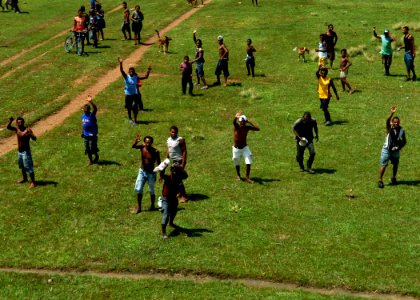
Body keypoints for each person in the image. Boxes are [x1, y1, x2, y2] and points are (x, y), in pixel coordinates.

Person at [378, 106, 407, 188]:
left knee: (396, 164)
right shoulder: (389, 128)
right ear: (392, 122)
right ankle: (380, 180)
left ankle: (393, 177)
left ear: (399, 122)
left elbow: (404, 141)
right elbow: (387, 120)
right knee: (384, 165)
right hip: (386, 149)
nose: (396, 123)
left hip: (395, 150)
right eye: (394, 122)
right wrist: (392, 113)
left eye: (397, 122)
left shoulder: (402, 130)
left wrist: (398, 148)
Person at [132, 134, 161, 213]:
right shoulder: (142, 147)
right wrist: (136, 141)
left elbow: (159, 163)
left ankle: (152, 205)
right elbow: (133, 146)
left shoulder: (155, 151)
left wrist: (160, 174)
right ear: (144, 142)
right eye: (146, 142)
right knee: (139, 189)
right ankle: (139, 207)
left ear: (152, 143)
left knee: (151, 190)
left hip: (151, 173)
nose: (148, 144)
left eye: (149, 142)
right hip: (142, 171)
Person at [119, 57, 151, 125]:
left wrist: (149, 70)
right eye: (130, 71)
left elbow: (146, 77)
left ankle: (135, 120)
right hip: (128, 94)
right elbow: (121, 71)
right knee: (129, 107)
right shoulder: (126, 77)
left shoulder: (136, 77)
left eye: (132, 71)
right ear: (128, 72)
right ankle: (130, 118)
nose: (131, 72)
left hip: (134, 94)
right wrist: (121, 63)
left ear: (134, 72)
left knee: (135, 107)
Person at [7, 116, 37, 188]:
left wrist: (30, 134)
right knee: (22, 166)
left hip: (26, 152)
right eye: (18, 122)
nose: (19, 123)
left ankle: (33, 182)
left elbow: (34, 138)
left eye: (21, 122)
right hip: (20, 152)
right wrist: (10, 121)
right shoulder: (17, 129)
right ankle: (25, 179)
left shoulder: (28, 130)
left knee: (29, 167)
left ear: (23, 122)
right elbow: (8, 127)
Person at [232, 112, 260, 183]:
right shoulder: (237, 127)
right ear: (239, 121)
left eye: (244, 122)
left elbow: (257, 129)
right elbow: (234, 122)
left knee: (248, 161)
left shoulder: (247, 128)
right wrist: (236, 117)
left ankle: (247, 177)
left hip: (244, 148)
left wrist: (249, 122)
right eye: (241, 122)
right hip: (236, 149)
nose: (242, 123)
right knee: (237, 162)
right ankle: (238, 176)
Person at [159, 165, 183, 240]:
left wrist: (179, 193)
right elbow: (161, 174)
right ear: (171, 171)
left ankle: (171, 223)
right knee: (165, 215)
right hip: (166, 199)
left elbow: (185, 176)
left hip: (174, 199)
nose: (174, 172)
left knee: (174, 212)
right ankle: (163, 233)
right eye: (173, 171)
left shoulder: (178, 179)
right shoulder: (168, 177)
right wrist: (163, 167)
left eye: (176, 171)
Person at [166, 126, 188, 202]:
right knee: (174, 179)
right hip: (173, 161)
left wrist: (182, 164)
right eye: (172, 132)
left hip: (179, 161)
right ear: (169, 132)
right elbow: (168, 150)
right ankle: (179, 192)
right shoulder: (168, 140)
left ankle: (184, 197)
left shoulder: (180, 140)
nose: (173, 133)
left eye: (175, 132)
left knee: (178, 179)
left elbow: (184, 151)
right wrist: (166, 159)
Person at [81, 95, 99, 165]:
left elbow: (95, 109)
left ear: (89, 109)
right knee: (87, 148)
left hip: (92, 134)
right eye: (84, 108)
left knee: (92, 147)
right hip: (86, 134)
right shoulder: (83, 116)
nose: (85, 109)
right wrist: (82, 132)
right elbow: (84, 124)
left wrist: (91, 102)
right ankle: (90, 161)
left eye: (87, 108)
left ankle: (96, 155)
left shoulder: (92, 115)